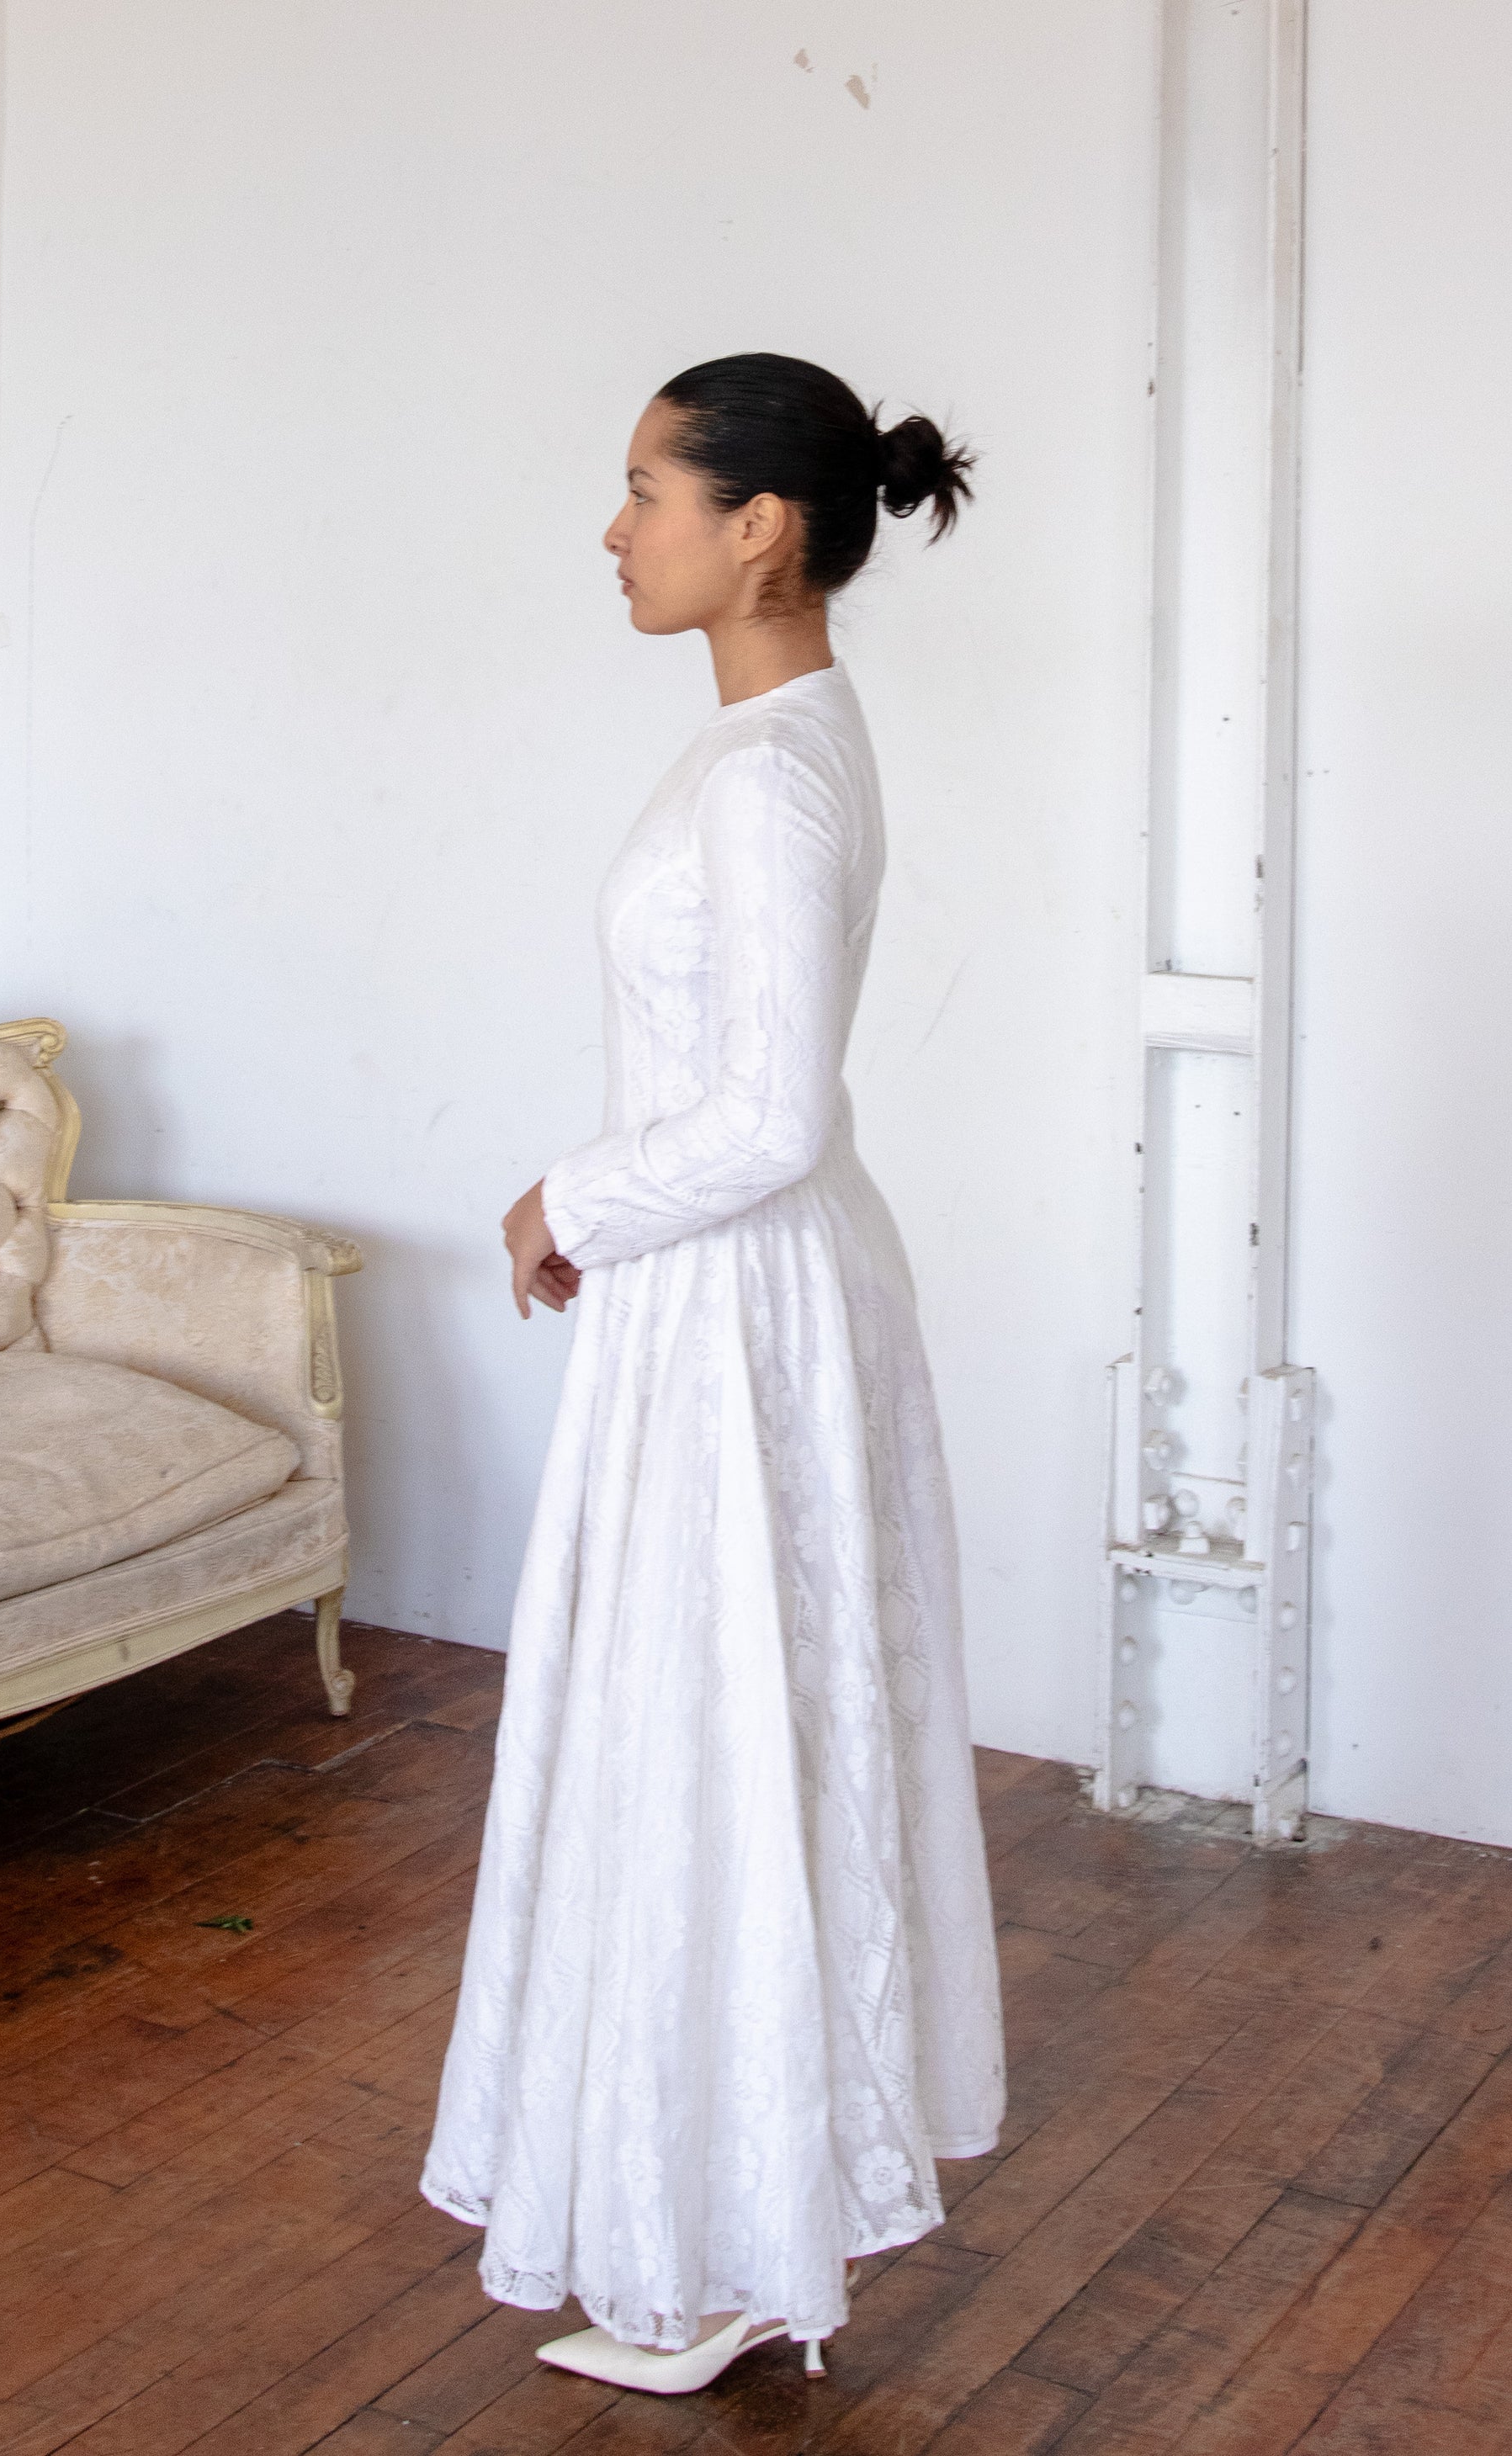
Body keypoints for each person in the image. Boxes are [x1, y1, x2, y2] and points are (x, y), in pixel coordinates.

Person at [419, 351, 1005, 2396]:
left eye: (646, 490)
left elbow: (764, 1111)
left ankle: (732, 2240)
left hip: (740, 1292)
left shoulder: (769, 769)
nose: (613, 530)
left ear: (758, 527)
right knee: (728, 1734)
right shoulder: (787, 736)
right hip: (734, 1285)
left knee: (722, 1741)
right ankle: (734, 2216)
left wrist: (562, 1195)